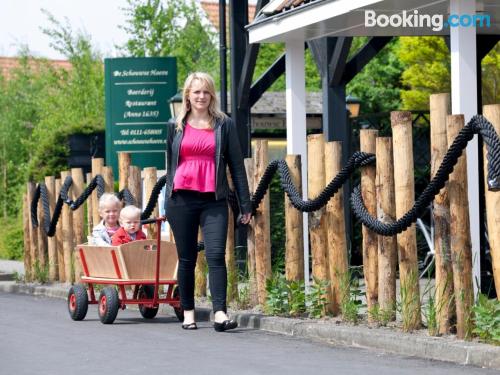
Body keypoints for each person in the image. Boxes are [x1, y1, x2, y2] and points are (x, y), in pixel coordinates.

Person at [165, 72, 251, 331]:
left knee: (216, 255)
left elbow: (236, 165)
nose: (201, 96)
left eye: (206, 92)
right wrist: (166, 198)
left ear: (211, 95)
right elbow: (170, 164)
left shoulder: (224, 124)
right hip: (181, 200)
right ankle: (189, 312)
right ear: (187, 95)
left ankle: (220, 313)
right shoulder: (174, 125)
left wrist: (245, 204)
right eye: (196, 92)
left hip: (213, 199)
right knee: (187, 258)